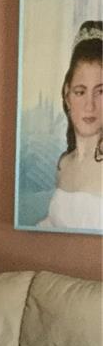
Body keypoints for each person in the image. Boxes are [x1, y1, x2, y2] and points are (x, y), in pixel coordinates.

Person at [38, 22, 103, 232]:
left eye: (100, 92)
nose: (90, 105)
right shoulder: (64, 165)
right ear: (67, 95)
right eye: (80, 92)